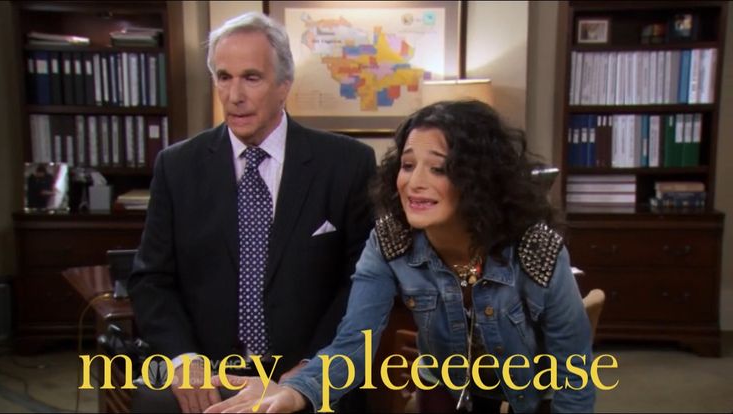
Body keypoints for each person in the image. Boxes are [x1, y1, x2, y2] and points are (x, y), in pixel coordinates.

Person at [207, 100, 596, 413]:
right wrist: (295, 392)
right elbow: (352, 347)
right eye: (408, 165)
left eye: (438, 168)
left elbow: (573, 375)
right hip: (444, 394)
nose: (415, 182)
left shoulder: (535, 246)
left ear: (479, 180)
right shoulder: (390, 241)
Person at [127, 11, 376, 413]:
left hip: (308, 369)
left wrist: (313, 368)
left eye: (251, 77)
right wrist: (184, 359)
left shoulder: (347, 164)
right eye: (224, 77)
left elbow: (362, 282)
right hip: (209, 375)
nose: (234, 94)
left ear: (284, 85)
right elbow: (151, 278)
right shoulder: (177, 167)